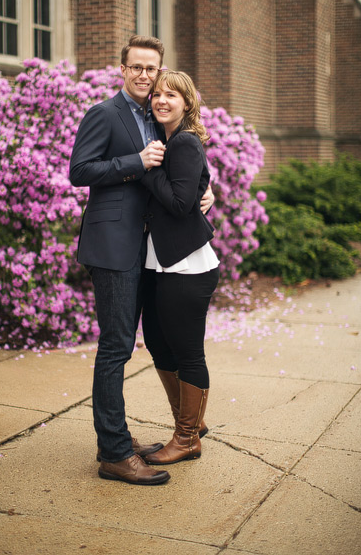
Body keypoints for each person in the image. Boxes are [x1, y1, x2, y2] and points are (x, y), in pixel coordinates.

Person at [68, 35, 213, 485]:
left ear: (159, 70)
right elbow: (79, 171)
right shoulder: (103, 113)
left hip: (151, 252)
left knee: (143, 344)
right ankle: (113, 451)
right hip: (114, 246)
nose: (145, 75)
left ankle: (128, 435)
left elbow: (182, 171)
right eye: (136, 67)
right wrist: (135, 161)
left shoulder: (156, 115)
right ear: (123, 68)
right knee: (115, 348)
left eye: (152, 69)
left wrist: (208, 192)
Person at [138, 70, 219, 465]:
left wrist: (148, 171)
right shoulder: (168, 142)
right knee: (156, 341)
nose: (161, 99)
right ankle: (189, 422)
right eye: (156, 94)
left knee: (187, 352)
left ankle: (187, 438)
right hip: (163, 261)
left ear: (187, 103)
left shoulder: (182, 142)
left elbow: (181, 203)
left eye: (172, 94)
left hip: (188, 265)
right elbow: (195, 186)